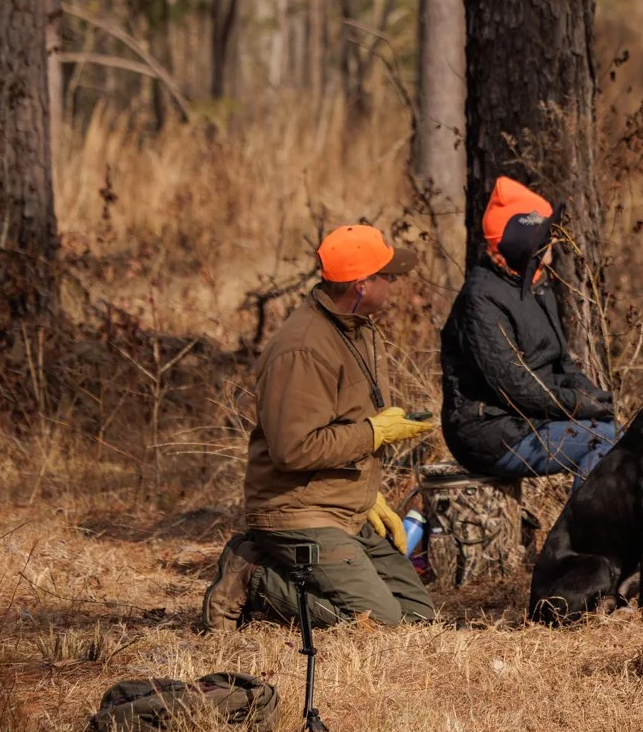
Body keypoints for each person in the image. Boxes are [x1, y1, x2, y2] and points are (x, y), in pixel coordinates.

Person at [200, 224, 440, 629]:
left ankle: (276, 571)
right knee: (379, 624)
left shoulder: (356, 328)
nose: (395, 284)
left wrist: (369, 495)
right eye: (388, 277)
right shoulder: (302, 349)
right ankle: (252, 575)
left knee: (417, 617)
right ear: (362, 285)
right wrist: (375, 433)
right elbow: (293, 449)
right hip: (297, 511)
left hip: (340, 506)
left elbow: (339, 423)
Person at [439, 177, 619, 481]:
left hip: (530, 420)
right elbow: (515, 387)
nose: (553, 242)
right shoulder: (480, 299)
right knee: (608, 440)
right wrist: (578, 406)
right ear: (521, 241)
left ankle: (597, 526)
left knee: (622, 434)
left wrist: (598, 399)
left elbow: (560, 362)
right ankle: (582, 529)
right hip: (489, 433)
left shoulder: (536, 283)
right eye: (544, 236)